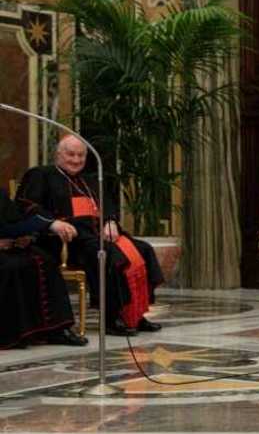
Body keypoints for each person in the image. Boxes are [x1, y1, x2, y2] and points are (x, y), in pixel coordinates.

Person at [17, 135, 164, 336]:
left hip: (96, 236)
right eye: (70, 154)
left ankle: (136, 314)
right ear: (58, 155)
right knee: (107, 253)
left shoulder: (91, 180)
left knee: (143, 248)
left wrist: (110, 222)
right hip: (65, 241)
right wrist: (53, 223)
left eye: (81, 156)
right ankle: (112, 318)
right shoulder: (41, 174)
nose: (76, 160)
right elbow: (26, 205)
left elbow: (108, 207)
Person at [0, 189, 86, 348]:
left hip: (8, 246)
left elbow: (13, 221)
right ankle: (14, 334)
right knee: (12, 266)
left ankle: (57, 329)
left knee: (45, 260)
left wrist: (25, 237)